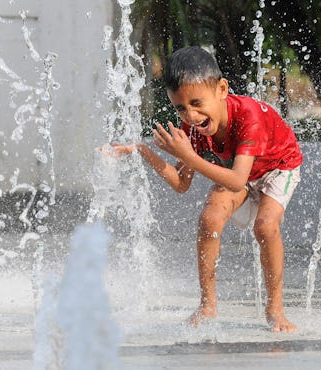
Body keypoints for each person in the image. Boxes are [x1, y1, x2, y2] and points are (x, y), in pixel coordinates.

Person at [110, 46, 302, 332]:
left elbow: (236, 181)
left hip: (278, 167)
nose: (190, 115)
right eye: (181, 108)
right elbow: (181, 183)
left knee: (265, 226)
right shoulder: (193, 127)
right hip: (241, 171)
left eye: (197, 103)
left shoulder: (248, 117)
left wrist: (189, 157)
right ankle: (207, 305)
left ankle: (275, 309)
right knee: (209, 220)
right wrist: (141, 151)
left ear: (222, 89)